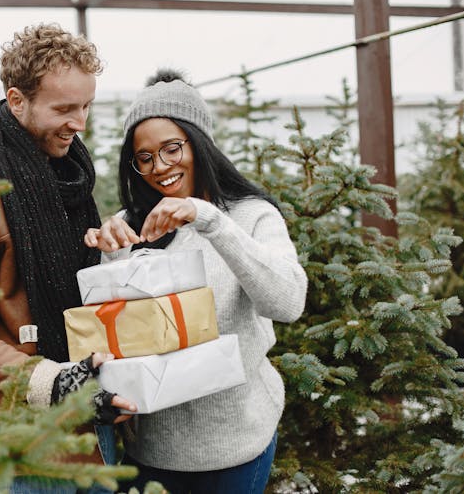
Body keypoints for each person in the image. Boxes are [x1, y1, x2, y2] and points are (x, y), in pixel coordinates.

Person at [0, 23, 134, 492]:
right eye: (64, 109)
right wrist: (58, 384)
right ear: (17, 101)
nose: (80, 123)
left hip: (92, 430)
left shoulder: (61, 175)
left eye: (86, 106)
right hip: (24, 453)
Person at [83, 69, 308, 493]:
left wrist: (208, 219)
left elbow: (288, 301)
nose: (159, 168)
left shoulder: (250, 216)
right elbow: (110, 339)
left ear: (199, 143)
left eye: (171, 149)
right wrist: (105, 253)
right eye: (144, 157)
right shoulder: (130, 227)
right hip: (151, 455)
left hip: (237, 449)